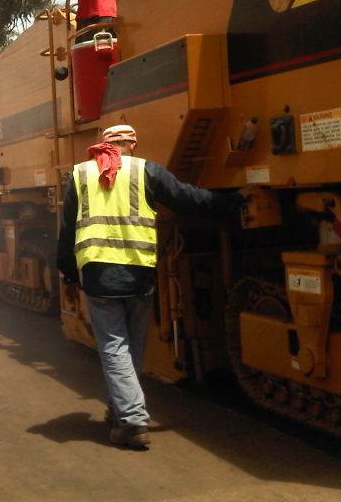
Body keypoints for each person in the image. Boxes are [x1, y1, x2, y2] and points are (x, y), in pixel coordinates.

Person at [56, 125, 244, 448]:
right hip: (139, 275)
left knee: (114, 348)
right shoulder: (147, 171)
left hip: (100, 276)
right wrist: (233, 201)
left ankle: (131, 421)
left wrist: (68, 272)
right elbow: (189, 199)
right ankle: (121, 411)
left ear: (104, 143)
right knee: (132, 348)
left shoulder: (80, 174)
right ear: (133, 144)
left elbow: (67, 229)